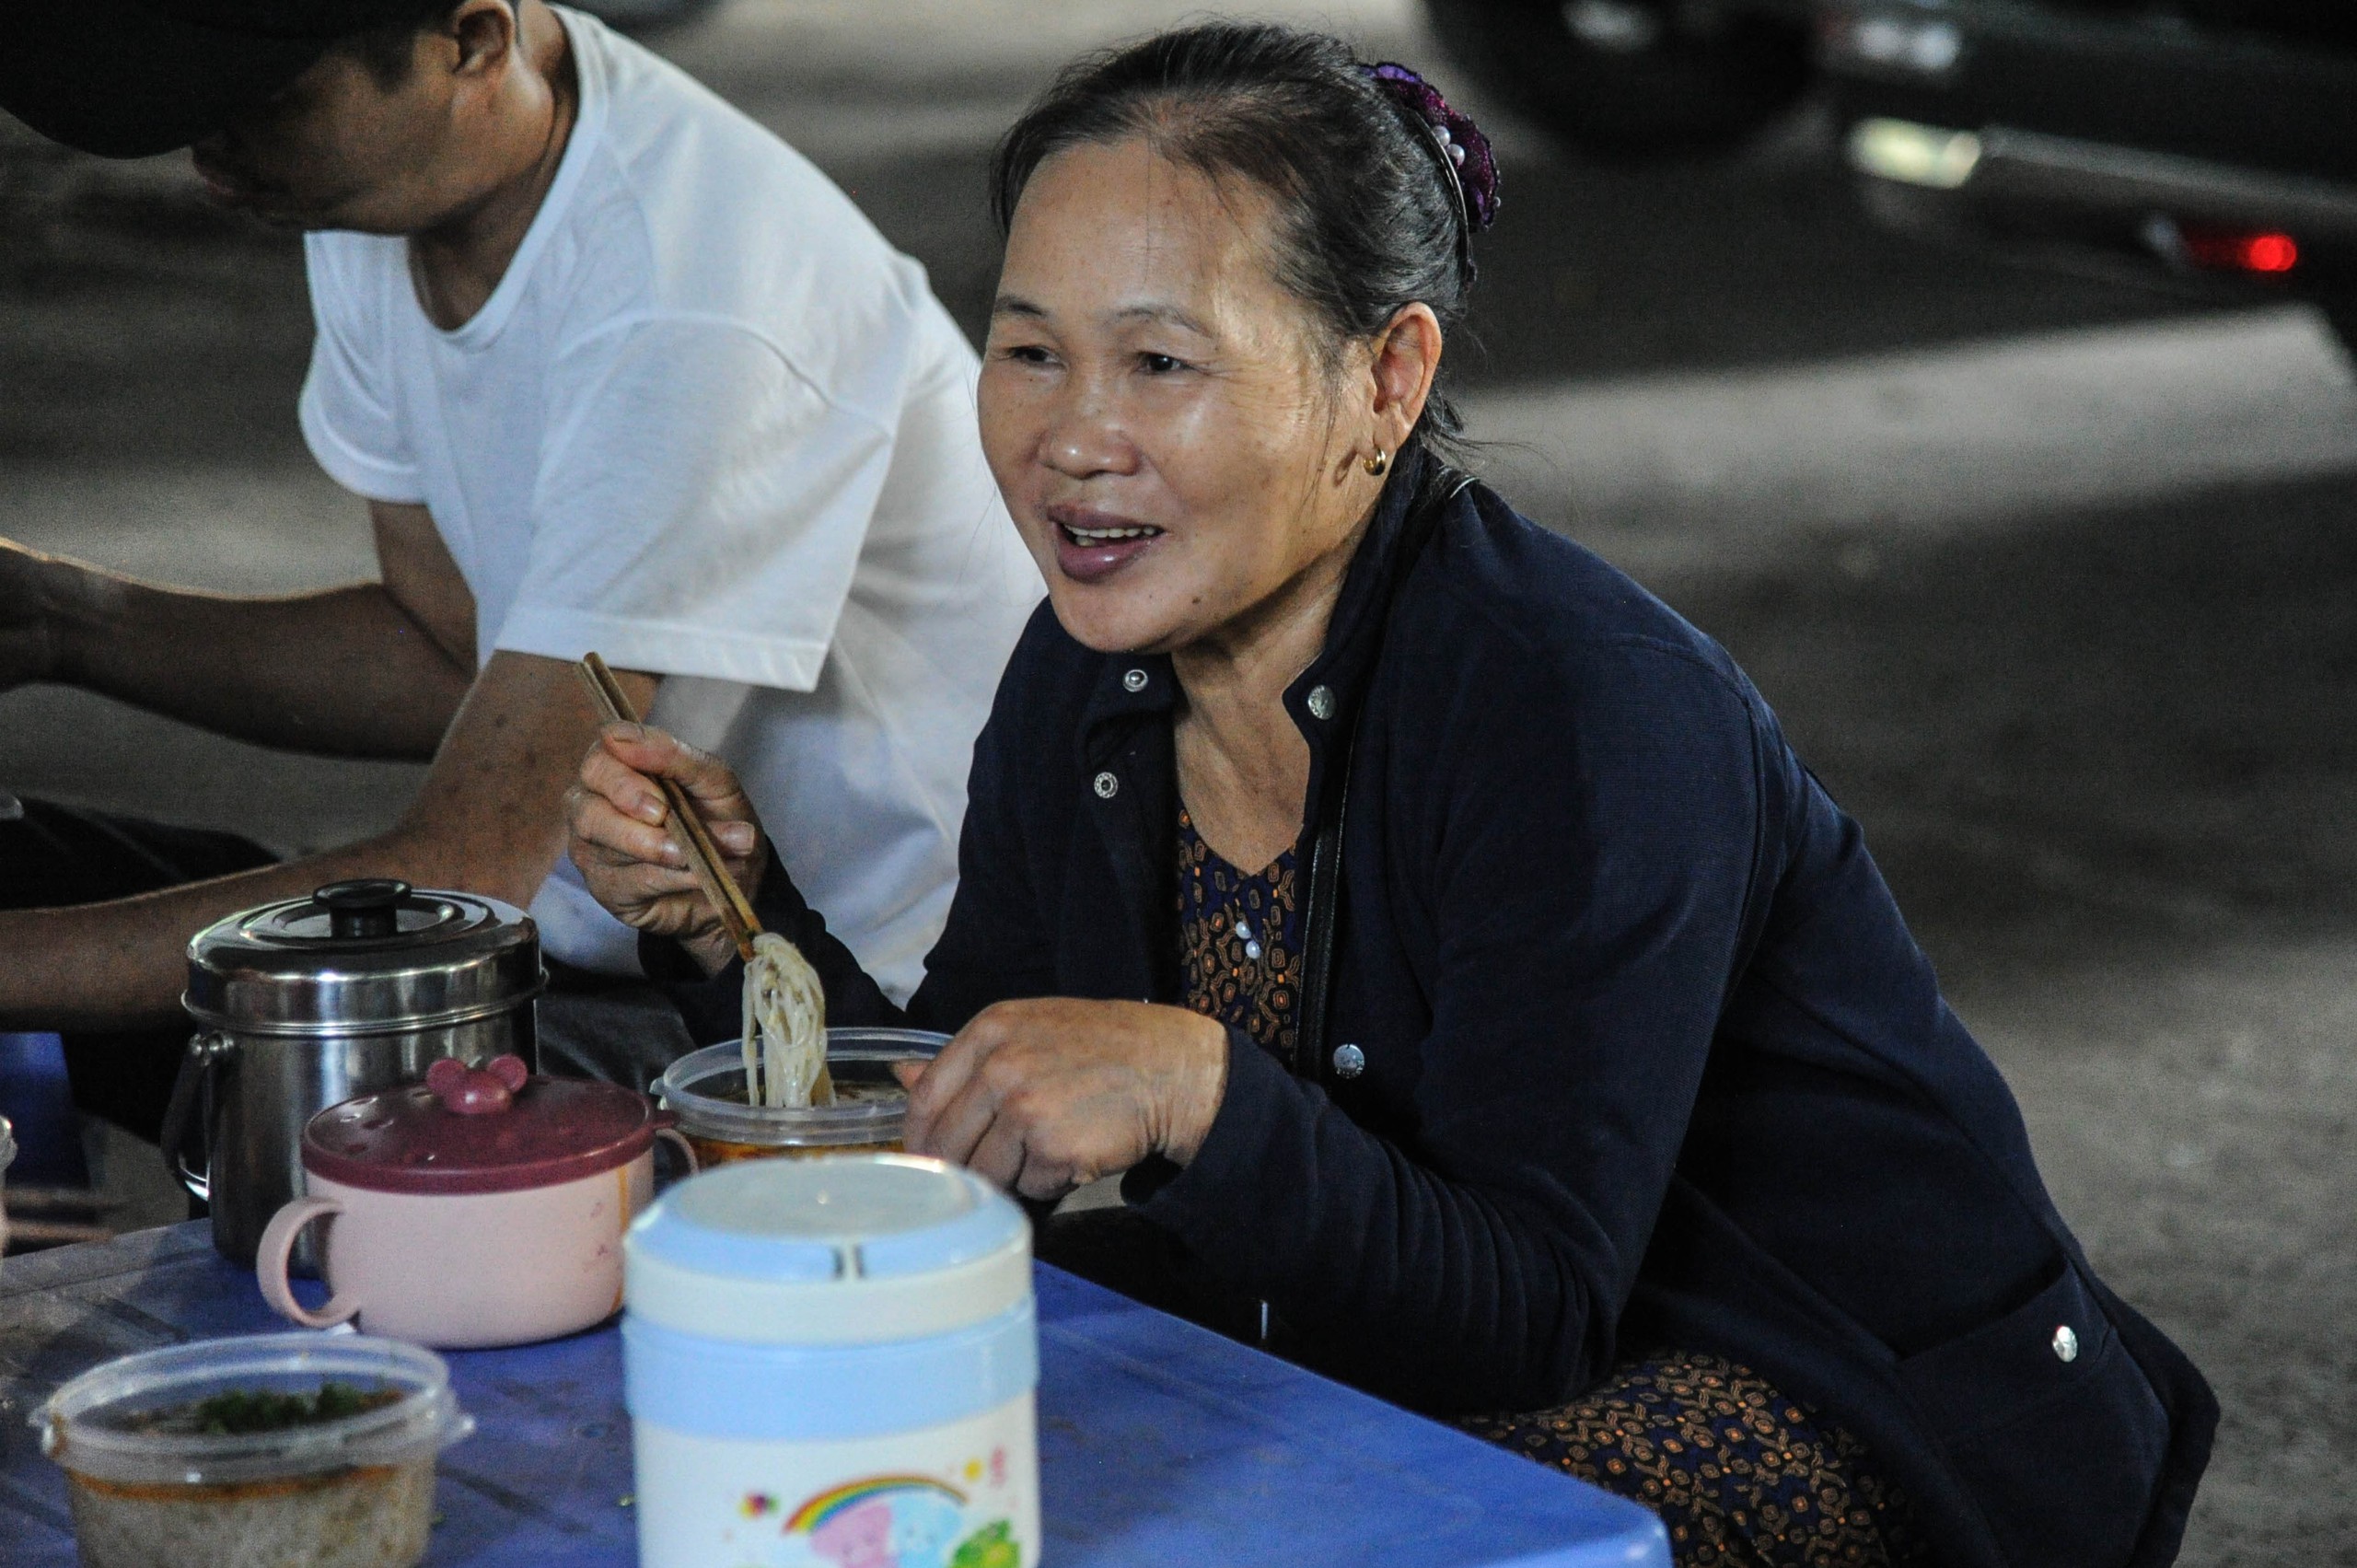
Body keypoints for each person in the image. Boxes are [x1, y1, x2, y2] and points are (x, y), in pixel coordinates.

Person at [564, 23, 2213, 1567]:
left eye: (1161, 361)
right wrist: (739, 927)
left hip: (1835, 1375)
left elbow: (1524, 1310)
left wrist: (1202, 1090)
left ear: (1385, 380)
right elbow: (982, 1127)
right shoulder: (1088, 670)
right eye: (1027, 349)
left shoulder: (1574, 705)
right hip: (1426, 1326)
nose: (1074, 436)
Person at [0, 0, 1039, 1139]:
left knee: (319, 1114)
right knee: (26, 866)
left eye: (262, 108)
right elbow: (453, 654)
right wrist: (62, 617)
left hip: (822, 1002)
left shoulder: (691, 308)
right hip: (581, 919)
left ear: (474, 43)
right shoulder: (376, 193)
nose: (210, 159)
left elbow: (471, 861)